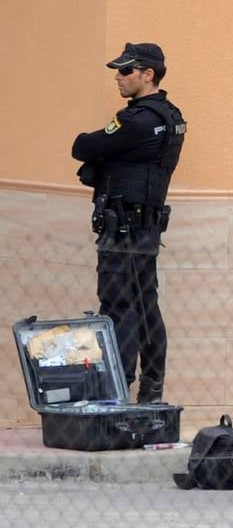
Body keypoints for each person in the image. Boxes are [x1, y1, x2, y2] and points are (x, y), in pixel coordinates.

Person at [71, 43, 187, 404]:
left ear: (148, 74)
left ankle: (117, 391)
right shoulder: (171, 116)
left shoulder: (136, 120)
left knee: (119, 305)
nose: (117, 78)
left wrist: (99, 153)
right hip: (146, 227)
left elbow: (84, 146)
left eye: (125, 71)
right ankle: (151, 389)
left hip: (122, 229)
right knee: (145, 304)